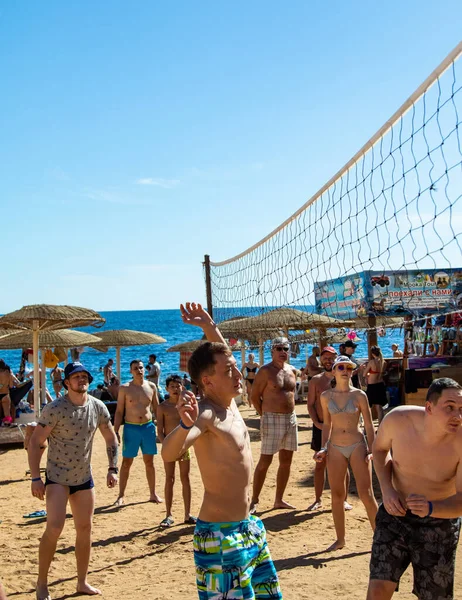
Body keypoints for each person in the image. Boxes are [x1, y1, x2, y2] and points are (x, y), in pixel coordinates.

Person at [162, 302, 282, 599]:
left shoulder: (228, 403)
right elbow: (167, 454)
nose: (239, 374)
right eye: (230, 371)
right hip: (219, 536)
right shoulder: (206, 414)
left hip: (249, 526)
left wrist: (208, 326)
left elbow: (225, 359)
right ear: (208, 381)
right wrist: (182, 426)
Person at [27, 362, 119, 600]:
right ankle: (42, 583)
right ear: (66, 382)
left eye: (84, 376)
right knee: (55, 527)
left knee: (85, 529)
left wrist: (112, 468)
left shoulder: (97, 407)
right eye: (76, 377)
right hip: (57, 478)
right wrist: (36, 477)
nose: (82, 379)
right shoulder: (55, 409)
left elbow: (111, 437)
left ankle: (81, 582)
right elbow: (36, 442)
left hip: (83, 478)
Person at [367, 378, 462, 600]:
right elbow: (379, 450)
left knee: (434, 596)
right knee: (378, 589)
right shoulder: (399, 420)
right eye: (449, 407)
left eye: (461, 409)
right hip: (395, 513)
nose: (457, 416)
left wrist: (430, 507)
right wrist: (387, 489)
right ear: (429, 407)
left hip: (439, 523)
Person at [314, 355, 377, 551]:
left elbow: (368, 424)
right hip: (335, 447)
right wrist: (323, 448)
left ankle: (379, 537)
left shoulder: (359, 395)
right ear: (333, 371)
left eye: (348, 368)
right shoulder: (326, 396)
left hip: (357, 444)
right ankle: (340, 539)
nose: (345, 370)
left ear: (352, 371)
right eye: (340, 367)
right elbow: (327, 424)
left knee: (366, 493)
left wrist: (371, 449)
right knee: (337, 494)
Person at [250, 337, 298, 513]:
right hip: (271, 418)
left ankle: (279, 499)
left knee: (286, 461)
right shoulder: (265, 371)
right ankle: (254, 500)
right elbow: (254, 397)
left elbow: (291, 394)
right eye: (279, 348)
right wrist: (264, 416)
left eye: (286, 348)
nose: (283, 351)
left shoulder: (292, 370)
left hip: (290, 419)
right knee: (265, 460)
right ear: (272, 351)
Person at [307, 347, 352, 511]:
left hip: (340, 428)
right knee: (320, 464)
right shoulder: (315, 380)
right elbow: (311, 405)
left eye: (331, 358)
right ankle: (318, 499)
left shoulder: (344, 378)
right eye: (325, 357)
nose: (328, 360)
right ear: (321, 359)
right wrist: (317, 423)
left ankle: (344, 499)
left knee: (344, 464)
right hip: (321, 427)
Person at [113, 359, 162, 506]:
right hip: (131, 428)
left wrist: (161, 428)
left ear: (144, 369)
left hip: (147, 428)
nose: (139, 370)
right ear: (131, 371)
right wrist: (115, 431)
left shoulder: (151, 386)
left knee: (149, 462)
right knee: (126, 462)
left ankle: (153, 493)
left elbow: (157, 409)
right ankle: (121, 495)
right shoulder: (125, 388)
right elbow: (119, 411)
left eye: (141, 368)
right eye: (135, 368)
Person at [157, 374, 196, 527]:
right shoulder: (163, 407)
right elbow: (160, 429)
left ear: (182, 387)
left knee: (185, 478)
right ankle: (168, 514)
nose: (175, 389)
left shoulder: (186, 405)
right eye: (172, 386)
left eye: (177, 386)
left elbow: (192, 425)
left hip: (184, 447)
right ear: (167, 389)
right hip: (169, 447)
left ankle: (187, 514)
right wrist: (165, 444)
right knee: (169, 478)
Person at [362, 345, 387, 424]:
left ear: (372, 354)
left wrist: (366, 371)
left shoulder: (372, 362)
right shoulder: (383, 362)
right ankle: (380, 426)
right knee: (379, 407)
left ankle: (367, 426)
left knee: (369, 406)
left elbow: (364, 374)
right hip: (380, 385)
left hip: (372, 386)